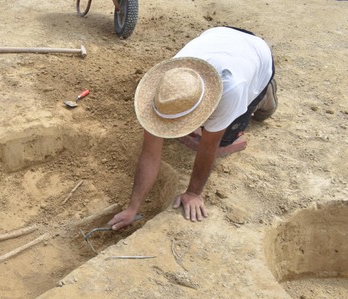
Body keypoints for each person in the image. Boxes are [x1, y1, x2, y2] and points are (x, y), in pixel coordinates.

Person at [109, 26, 278, 230]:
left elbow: (209, 146)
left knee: (223, 137)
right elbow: (150, 153)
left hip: (256, 58)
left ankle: (265, 95)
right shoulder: (168, 86)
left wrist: (193, 193)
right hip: (219, 35)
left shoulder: (230, 89)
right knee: (176, 127)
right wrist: (132, 208)